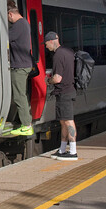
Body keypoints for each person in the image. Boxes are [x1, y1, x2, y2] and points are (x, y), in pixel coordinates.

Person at [44, 31, 78, 160]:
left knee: (68, 121)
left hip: (64, 91)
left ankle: (73, 151)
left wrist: (48, 81)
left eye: (46, 44)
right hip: (67, 90)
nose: (46, 47)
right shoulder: (68, 51)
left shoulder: (58, 55)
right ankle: (62, 150)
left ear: (52, 41)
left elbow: (57, 78)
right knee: (63, 121)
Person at [6, 1, 34, 136]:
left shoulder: (19, 25)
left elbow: (4, 39)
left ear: (10, 14)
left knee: (19, 96)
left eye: (7, 17)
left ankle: (26, 125)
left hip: (20, 66)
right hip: (23, 65)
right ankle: (25, 122)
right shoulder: (24, 23)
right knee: (22, 95)